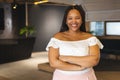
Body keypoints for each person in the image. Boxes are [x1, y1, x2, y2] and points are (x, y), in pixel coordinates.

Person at [46, 5, 103, 80]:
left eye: (77, 18)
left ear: (82, 20)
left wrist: (66, 58)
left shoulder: (90, 38)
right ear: (66, 21)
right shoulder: (57, 38)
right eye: (70, 18)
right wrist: (78, 67)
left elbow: (94, 60)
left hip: (86, 77)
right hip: (62, 77)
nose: (74, 21)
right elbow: (53, 63)